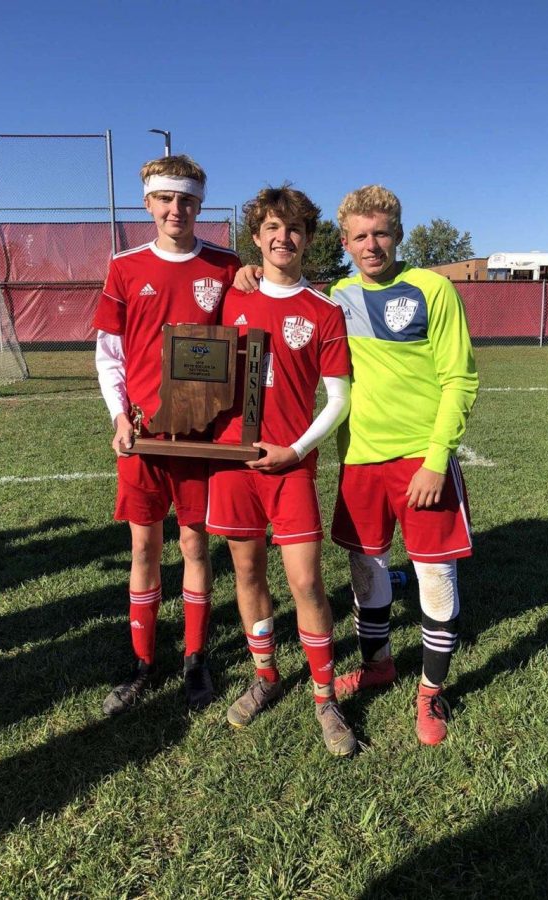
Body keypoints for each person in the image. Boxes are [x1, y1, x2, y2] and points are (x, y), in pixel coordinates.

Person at [235, 185, 478, 746]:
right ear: (344, 242)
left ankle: (431, 693)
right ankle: (378, 666)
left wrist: (437, 460)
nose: (372, 245)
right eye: (360, 236)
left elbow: (459, 380)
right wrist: (243, 276)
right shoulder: (335, 298)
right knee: (368, 575)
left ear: (399, 234)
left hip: (421, 460)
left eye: (382, 234)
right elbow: (282, 292)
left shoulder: (433, 290)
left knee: (435, 579)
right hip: (361, 461)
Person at [205, 185, 357, 756]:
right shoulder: (229, 297)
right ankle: (265, 675)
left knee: (305, 581)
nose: (282, 237)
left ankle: (324, 697)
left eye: (293, 228)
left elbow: (337, 399)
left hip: (289, 466)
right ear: (257, 236)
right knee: (247, 576)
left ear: (308, 238)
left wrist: (295, 450)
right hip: (233, 463)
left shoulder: (323, 311)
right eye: (272, 227)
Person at [93, 154, 240, 715]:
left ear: (200, 205)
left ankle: (195, 659)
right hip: (144, 436)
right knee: (144, 546)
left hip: (201, 438)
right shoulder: (125, 267)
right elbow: (109, 355)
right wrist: (119, 416)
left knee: (195, 544)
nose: (176, 209)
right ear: (148, 203)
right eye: (166, 199)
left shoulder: (228, 267)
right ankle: (142, 662)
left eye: (187, 200)